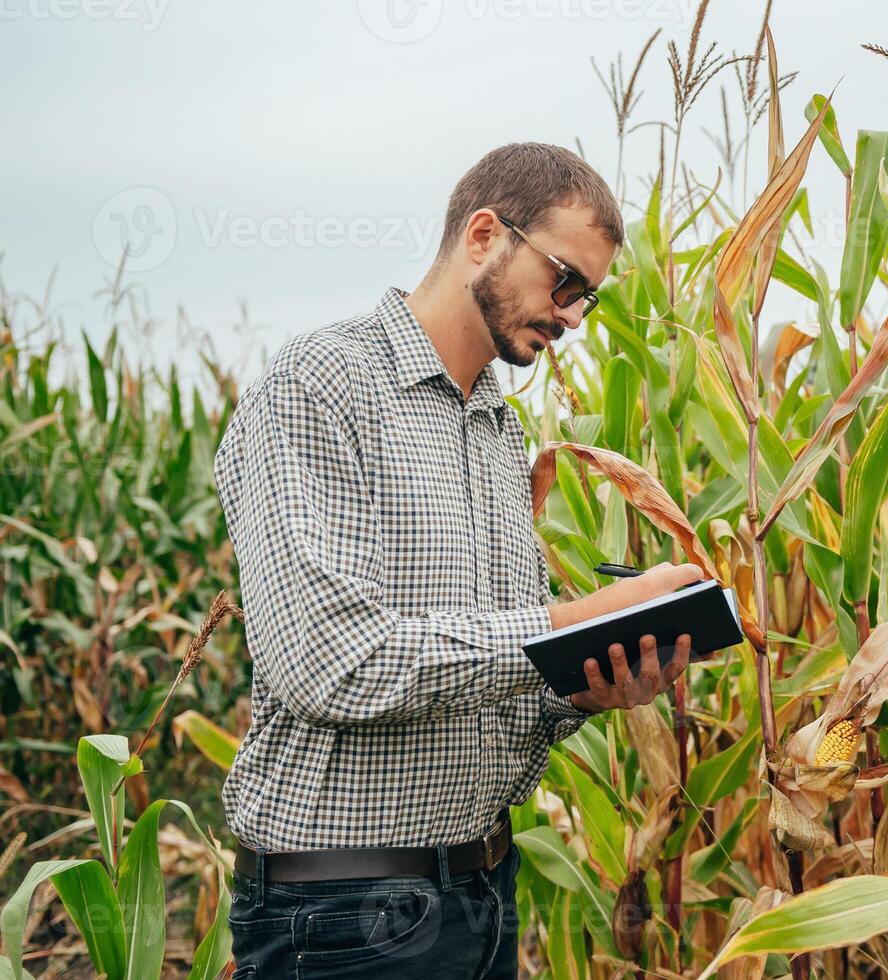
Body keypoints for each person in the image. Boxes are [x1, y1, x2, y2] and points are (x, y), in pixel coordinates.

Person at [214, 142, 706, 979]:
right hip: (343, 919)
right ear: (484, 235)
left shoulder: (495, 428)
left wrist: (579, 688)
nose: (574, 316)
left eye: (587, 296)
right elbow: (332, 666)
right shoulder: (320, 386)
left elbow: (484, 702)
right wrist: (576, 618)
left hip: (481, 893)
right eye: (564, 281)